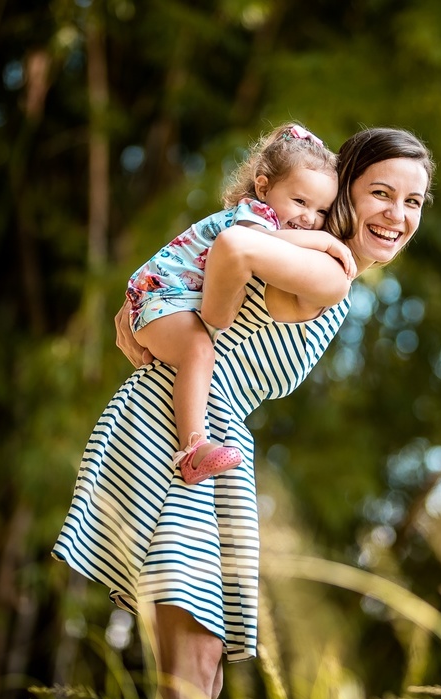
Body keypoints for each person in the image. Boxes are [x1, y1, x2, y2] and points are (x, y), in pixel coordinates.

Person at [53, 126, 434, 699]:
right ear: (344, 189)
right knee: (190, 671)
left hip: (192, 427)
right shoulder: (327, 270)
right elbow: (227, 246)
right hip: (182, 434)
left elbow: (199, 261)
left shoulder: (308, 253)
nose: (397, 215)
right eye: (380, 193)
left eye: (415, 201)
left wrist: (140, 308)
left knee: (201, 672)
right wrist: (185, 321)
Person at [125, 122, 354, 483]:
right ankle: (193, 449)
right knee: (199, 349)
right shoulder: (255, 217)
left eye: (322, 212)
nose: (310, 219)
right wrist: (325, 243)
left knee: (197, 347)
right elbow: (251, 245)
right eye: (300, 201)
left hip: (169, 300)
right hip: (160, 295)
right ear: (263, 186)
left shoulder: (276, 226)